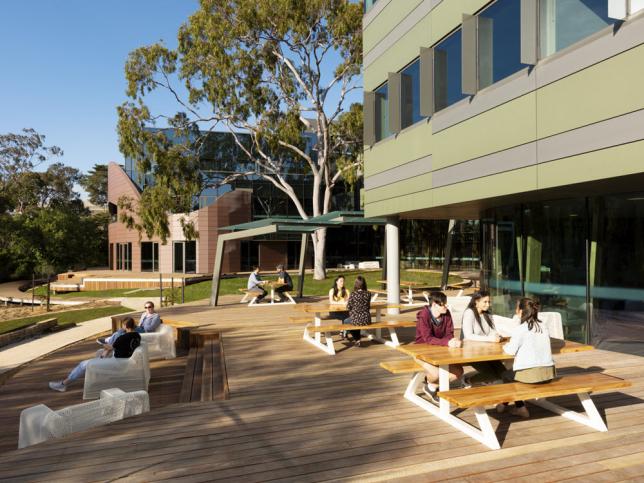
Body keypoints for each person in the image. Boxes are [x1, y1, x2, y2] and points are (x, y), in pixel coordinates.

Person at [496, 298, 556, 418]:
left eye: (517, 308)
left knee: (506, 375)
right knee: (512, 375)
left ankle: (519, 407)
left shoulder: (521, 329)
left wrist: (505, 344)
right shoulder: (543, 326)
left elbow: (510, 351)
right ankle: (504, 404)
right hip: (549, 374)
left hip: (531, 375)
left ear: (520, 311)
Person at [49, 317, 141, 392]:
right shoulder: (137, 336)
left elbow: (110, 347)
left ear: (125, 326)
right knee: (98, 357)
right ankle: (95, 375)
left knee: (83, 364)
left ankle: (63, 384)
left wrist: (103, 344)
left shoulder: (123, 338)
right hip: (125, 361)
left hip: (116, 363)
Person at [415, 291, 464, 402]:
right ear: (434, 305)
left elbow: (449, 333)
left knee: (458, 372)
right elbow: (427, 338)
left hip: (441, 351)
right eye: (443, 304)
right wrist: (447, 342)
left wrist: (452, 341)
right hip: (421, 352)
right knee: (436, 374)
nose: (446, 306)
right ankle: (434, 384)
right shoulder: (424, 315)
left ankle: (431, 386)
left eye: (446, 303)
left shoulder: (446, 314)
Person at [461, 291, 506, 385]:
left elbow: (492, 331)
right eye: (485, 302)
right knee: (491, 374)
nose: (488, 304)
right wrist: (490, 339)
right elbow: (468, 335)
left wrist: (497, 335)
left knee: (504, 373)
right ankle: (467, 380)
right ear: (476, 301)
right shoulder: (469, 313)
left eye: (489, 302)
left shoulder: (486, 314)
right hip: (471, 352)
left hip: (486, 351)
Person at [343, 276, 371, 346]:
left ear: (356, 284)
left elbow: (348, 307)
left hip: (356, 318)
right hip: (367, 319)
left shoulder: (353, 294)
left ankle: (356, 339)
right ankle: (356, 339)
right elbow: (368, 306)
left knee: (346, 321)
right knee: (354, 321)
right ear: (364, 284)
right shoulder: (368, 293)